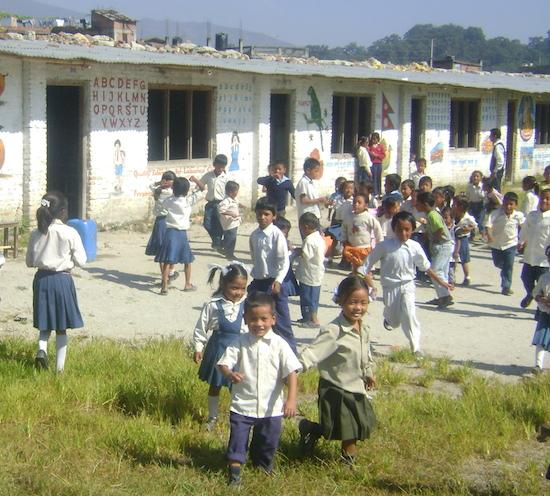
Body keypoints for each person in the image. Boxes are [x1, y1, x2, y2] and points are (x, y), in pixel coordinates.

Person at [217, 291, 301, 485]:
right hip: (243, 404)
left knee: (268, 441)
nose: (259, 324)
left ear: (273, 319)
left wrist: (291, 400)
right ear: (245, 319)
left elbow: (291, 371)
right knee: (238, 438)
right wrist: (230, 374)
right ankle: (234, 472)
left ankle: (263, 465)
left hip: (271, 407)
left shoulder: (279, 344)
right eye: (253, 319)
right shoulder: (240, 342)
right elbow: (223, 363)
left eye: (264, 319)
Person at [298, 276, 377, 464]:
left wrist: (369, 373)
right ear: (340, 301)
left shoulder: (364, 329)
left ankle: (312, 429)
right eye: (352, 302)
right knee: (348, 429)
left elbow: (365, 355)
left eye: (363, 303)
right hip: (335, 387)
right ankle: (347, 463)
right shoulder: (333, 331)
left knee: (356, 424)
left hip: (356, 386)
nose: (358, 308)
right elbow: (312, 353)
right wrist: (293, 370)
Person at [359, 211, 453, 356]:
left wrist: (441, 282)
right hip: (390, 287)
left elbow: (425, 267)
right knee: (394, 321)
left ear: (413, 230)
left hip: (408, 285)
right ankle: (389, 319)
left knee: (409, 313)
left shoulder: (415, 246)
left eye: (407, 229)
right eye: (399, 229)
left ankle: (415, 347)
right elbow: (367, 263)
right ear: (394, 229)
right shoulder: (385, 246)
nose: (403, 233)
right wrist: (358, 280)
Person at [26, 191, 86, 372]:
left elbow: (29, 262)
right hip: (62, 280)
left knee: (45, 319)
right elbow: (82, 260)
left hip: (41, 279)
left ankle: (42, 349)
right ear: (63, 211)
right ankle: (59, 370)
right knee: (61, 325)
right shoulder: (69, 232)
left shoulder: (36, 233)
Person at [193, 263, 248, 431]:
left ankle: (237, 418)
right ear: (223, 284)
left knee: (236, 386)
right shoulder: (213, 305)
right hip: (218, 348)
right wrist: (198, 347)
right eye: (234, 288)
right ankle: (213, 416)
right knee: (215, 384)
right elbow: (201, 327)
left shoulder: (247, 305)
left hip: (239, 350)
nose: (239, 292)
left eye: (243, 288)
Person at [248, 197, 296, 353]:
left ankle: (292, 356)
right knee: (256, 319)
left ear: (274, 216)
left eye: (266, 214)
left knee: (281, 322)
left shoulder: (277, 235)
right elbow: (254, 258)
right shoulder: (254, 235)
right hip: (259, 282)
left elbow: (284, 261)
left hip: (275, 283)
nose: (262, 217)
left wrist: (279, 280)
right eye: (259, 214)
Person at [155, 176, 205, 294]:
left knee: (167, 260)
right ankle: (187, 284)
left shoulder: (169, 200)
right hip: (182, 233)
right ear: (187, 190)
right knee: (187, 260)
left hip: (170, 232)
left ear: (174, 188)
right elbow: (203, 188)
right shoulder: (188, 201)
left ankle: (165, 286)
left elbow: (160, 200)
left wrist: (166, 186)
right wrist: (195, 180)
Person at [416, 192, 454, 309]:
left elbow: (439, 229)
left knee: (435, 271)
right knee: (441, 271)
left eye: (418, 203)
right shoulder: (430, 215)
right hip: (444, 245)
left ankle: (445, 296)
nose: (416, 206)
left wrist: (436, 242)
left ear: (425, 204)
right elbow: (429, 231)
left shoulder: (432, 215)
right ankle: (443, 296)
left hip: (442, 245)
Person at [485, 192, 524, 295]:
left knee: (509, 265)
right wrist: (489, 235)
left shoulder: (518, 216)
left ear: (516, 205)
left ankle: (506, 286)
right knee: (498, 263)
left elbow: (524, 227)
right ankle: (505, 271)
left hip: (510, 244)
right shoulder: (496, 213)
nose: (508, 206)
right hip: (496, 244)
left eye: (511, 204)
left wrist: (523, 241)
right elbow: (488, 225)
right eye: (506, 204)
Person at [518, 189, 550, 308]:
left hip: (544, 259)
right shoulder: (532, 215)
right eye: (542, 198)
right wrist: (521, 241)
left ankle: (541, 308)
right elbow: (525, 229)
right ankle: (531, 294)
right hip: (530, 256)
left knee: (543, 284)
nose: (544, 201)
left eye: (548, 199)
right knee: (525, 278)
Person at [145, 171, 178, 281]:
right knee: (171, 247)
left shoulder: (157, 191)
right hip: (170, 221)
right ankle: (171, 271)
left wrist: (159, 183)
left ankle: (165, 276)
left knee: (161, 249)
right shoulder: (171, 193)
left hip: (160, 221)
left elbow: (151, 185)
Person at [295, 213, 326, 328]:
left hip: (309, 274)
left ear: (306, 227)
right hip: (317, 273)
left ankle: (314, 320)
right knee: (312, 297)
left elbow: (306, 255)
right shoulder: (319, 238)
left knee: (308, 297)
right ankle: (307, 317)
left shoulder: (309, 241)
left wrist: (296, 250)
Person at [341, 193, 384, 275]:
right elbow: (344, 229)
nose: (356, 204)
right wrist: (344, 240)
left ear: (366, 205)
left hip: (365, 247)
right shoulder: (348, 217)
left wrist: (380, 243)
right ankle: (356, 278)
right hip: (353, 246)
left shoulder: (368, 217)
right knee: (355, 266)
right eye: (354, 202)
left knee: (365, 268)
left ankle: (368, 281)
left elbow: (377, 228)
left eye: (359, 203)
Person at [201, 154, 228, 252]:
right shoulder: (208, 176)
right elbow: (200, 185)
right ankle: (217, 242)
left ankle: (217, 244)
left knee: (218, 225)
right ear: (214, 165)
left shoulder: (225, 178)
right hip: (210, 203)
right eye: (218, 166)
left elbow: (229, 191)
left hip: (220, 203)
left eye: (222, 167)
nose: (220, 169)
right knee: (207, 224)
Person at [531, 246, 550, 375]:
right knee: (541, 339)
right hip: (546, 313)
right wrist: (540, 299)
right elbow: (536, 292)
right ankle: (538, 365)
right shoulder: (544, 277)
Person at [452, 196, 477, 286]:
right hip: (453, 238)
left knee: (464, 259)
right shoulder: (452, 214)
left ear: (461, 207)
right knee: (453, 257)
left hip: (463, 238)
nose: (452, 206)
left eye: (454, 204)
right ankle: (451, 276)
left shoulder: (468, 218)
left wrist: (468, 229)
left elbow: (475, 226)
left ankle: (467, 277)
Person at [295, 157, 328, 224]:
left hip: (314, 215)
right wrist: (319, 200)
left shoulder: (311, 182)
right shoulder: (303, 182)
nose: (317, 174)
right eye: (315, 171)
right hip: (307, 216)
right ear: (308, 170)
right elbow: (303, 200)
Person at [218, 181, 244, 260]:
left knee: (229, 237)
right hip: (229, 223)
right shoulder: (225, 201)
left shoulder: (234, 199)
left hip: (234, 222)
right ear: (230, 192)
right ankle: (229, 253)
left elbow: (237, 203)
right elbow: (221, 211)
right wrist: (230, 214)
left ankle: (221, 245)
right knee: (232, 238)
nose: (237, 193)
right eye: (236, 191)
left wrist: (241, 205)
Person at [465, 170, 486, 239]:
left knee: (480, 221)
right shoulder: (469, 187)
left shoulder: (483, 186)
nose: (475, 178)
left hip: (481, 205)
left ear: (481, 178)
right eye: (474, 176)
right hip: (472, 205)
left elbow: (485, 196)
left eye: (477, 176)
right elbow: (467, 197)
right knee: (471, 220)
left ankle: (483, 234)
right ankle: (472, 235)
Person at [368, 132, 386, 196]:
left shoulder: (380, 146)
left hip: (379, 163)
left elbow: (383, 155)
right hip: (372, 163)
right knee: (373, 178)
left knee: (378, 177)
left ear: (378, 139)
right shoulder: (370, 146)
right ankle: (374, 191)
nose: (373, 141)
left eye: (374, 139)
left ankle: (378, 191)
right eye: (372, 139)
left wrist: (378, 156)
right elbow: (368, 153)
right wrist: (371, 154)